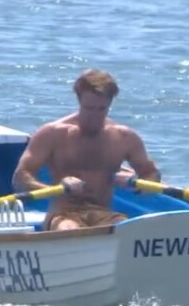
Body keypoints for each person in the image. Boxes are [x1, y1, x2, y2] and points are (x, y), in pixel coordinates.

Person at [12, 69, 162, 231]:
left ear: (110, 104)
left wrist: (135, 184)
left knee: (129, 231)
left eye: (101, 109)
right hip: (64, 215)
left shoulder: (124, 138)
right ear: (79, 101)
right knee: (69, 230)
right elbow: (20, 178)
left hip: (104, 213)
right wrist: (55, 190)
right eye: (89, 108)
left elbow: (151, 173)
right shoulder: (53, 134)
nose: (95, 116)